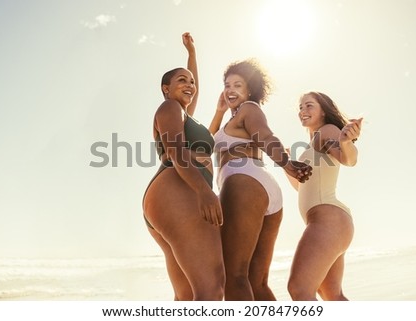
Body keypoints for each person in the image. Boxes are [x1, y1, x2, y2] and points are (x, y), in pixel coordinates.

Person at [209, 59, 312, 300]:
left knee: (233, 277)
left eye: (238, 85)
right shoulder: (232, 120)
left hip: (242, 181)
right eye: (227, 85)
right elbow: (205, 142)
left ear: (250, 90)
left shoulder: (249, 109)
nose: (231, 90)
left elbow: (266, 136)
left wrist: (286, 163)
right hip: (261, 186)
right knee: (256, 282)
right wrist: (219, 110)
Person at [142, 32, 225, 301]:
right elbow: (177, 152)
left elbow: (192, 87)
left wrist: (192, 56)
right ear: (166, 88)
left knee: (187, 296)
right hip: (180, 191)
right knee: (211, 289)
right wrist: (204, 191)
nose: (190, 85)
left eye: (191, 82)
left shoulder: (182, 112)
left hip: (164, 199)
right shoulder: (169, 108)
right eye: (181, 81)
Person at [285, 91, 362, 301]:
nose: (303, 111)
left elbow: (349, 160)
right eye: (300, 107)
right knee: (331, 294)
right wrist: (286, 164)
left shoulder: (327, 131)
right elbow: (302, 187)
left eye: (309, 106)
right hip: (333, 223)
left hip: (328, 221)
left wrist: (346, 142)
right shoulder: (312, 145)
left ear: (323, 111)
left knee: (299, 288)